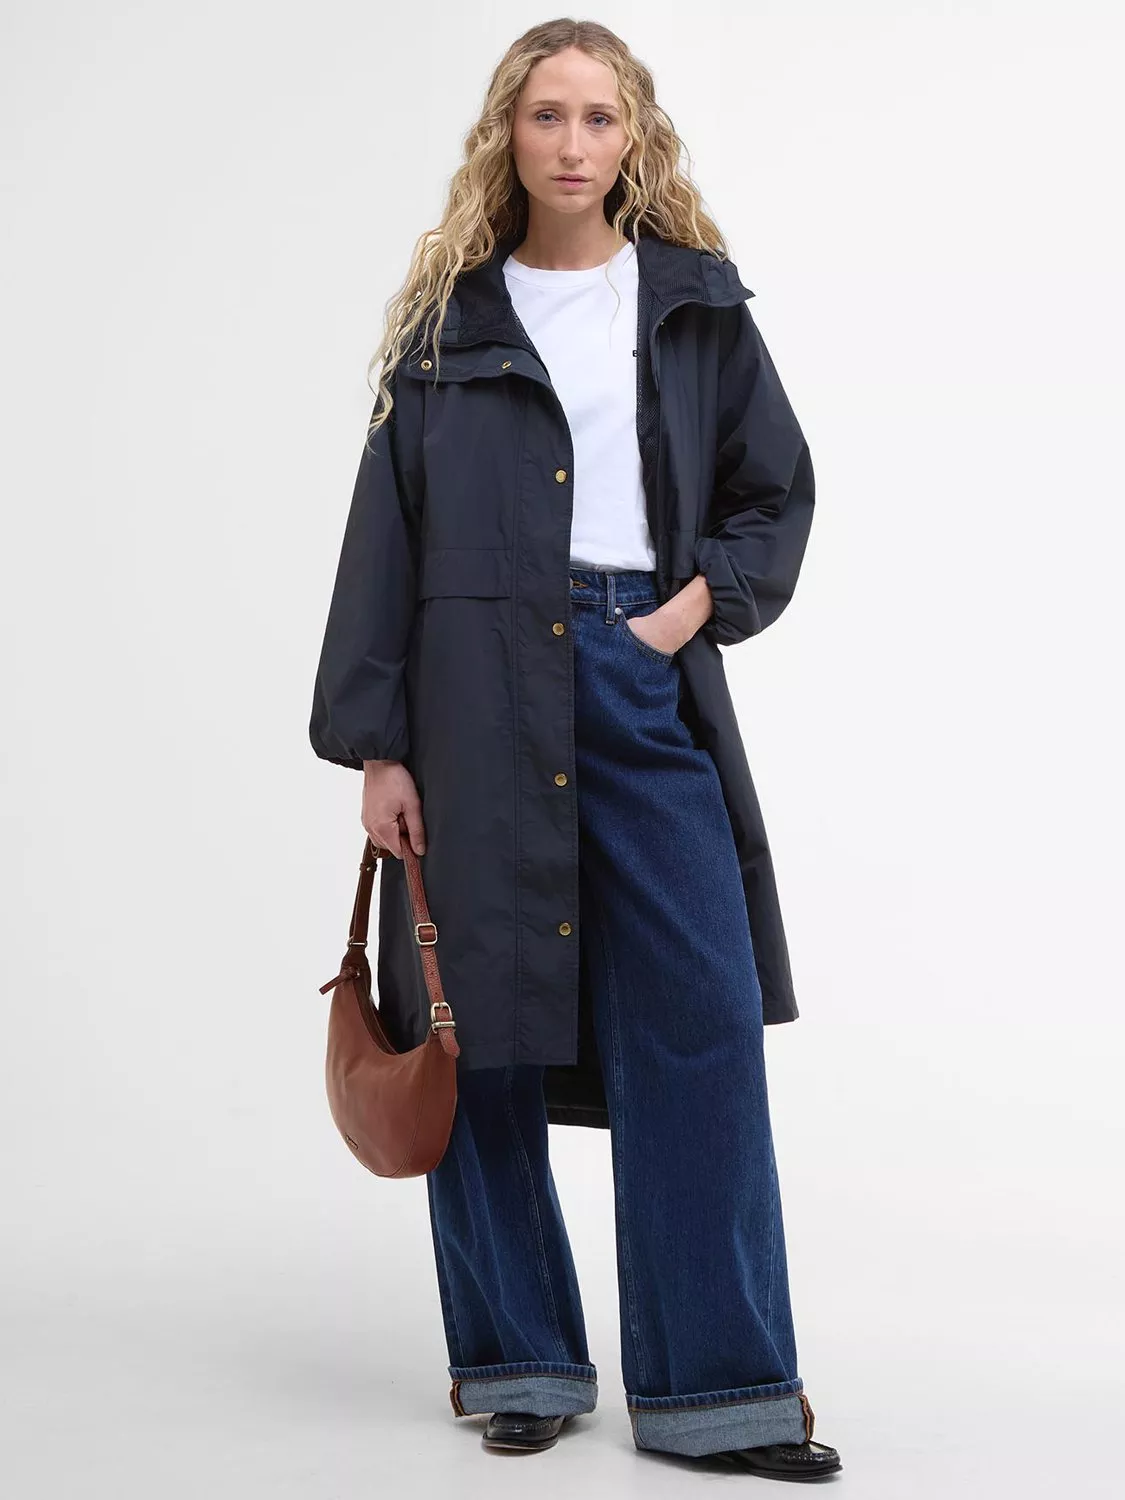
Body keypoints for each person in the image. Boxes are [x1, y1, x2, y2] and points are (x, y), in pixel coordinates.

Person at [309, 17, 840, 1479]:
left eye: (599, 117)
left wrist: (685, 616)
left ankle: (722, 1394)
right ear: (509, 132)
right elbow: (383, 539)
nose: (572, 142)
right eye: (546, 114)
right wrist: (379, 747)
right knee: (478, 1030)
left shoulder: (693, 304)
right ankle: (519, 1362)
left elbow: (775, 491)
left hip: (632, 667)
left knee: (698, 1023)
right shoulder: (447, 329)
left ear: (634, 137)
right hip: (470, 698)